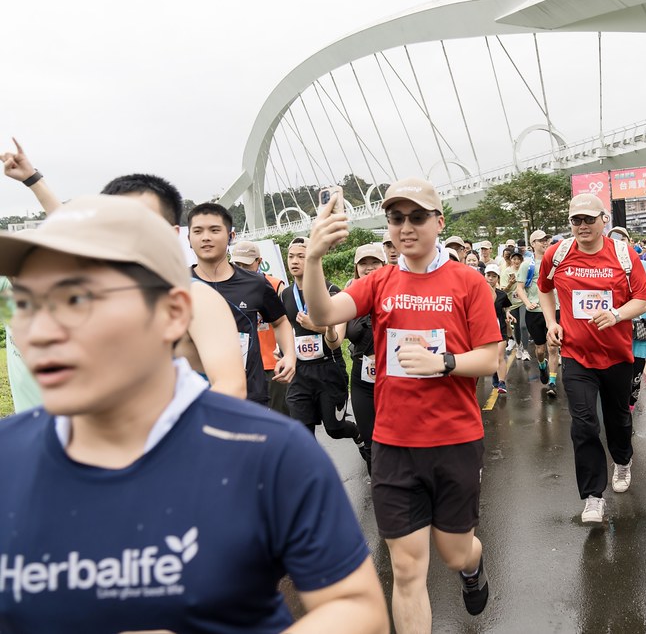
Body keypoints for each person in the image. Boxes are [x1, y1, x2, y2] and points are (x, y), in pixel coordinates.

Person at [0, 194, 388, 633]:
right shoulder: (7, 457)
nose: (43, 327)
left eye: (78, 298)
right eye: (27, 299)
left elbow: (356, 607)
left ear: (171, 314)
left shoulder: (268, 454)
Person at [303, 178, 501, 632]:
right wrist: (313, 257)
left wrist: (444, 362)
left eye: (416, 217)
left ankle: (473, 565)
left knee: (454, 552)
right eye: (396, 219)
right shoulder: (380, 281)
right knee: (408, 572)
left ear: (439, 221)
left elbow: (491, 357)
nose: (405, 228)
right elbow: (322, 315)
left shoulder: (468, 282)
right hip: (393, 443)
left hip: (454, 439)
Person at [1, 140, 246, 403]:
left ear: (171, 233)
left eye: (141, 222)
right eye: (116, 222)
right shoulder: (96, 294)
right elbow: (66, 230)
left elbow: (231, 387)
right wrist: (32, 179)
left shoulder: (196, 298)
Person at [538, 193, 646, 523]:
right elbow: (545, 288)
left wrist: (615, 315)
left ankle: (623, 460)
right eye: (576, 220)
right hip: (576, 356)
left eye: (589, 219)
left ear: (604, 220)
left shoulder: (623, 254)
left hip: (616, 356)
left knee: (618, 420)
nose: (583, 225)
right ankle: (592, 496)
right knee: (584, 424)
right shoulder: (556, 255)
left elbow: (641, 299)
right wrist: (551, 322)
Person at [187, 203, 296, 405]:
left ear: (231, 236)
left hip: (250, 393)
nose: (206, 237)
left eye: (214, 230)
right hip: (194, 396)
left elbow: (280, 321)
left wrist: (289, 355)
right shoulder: (176, 284)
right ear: (189, 239)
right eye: (198, 231)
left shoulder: (255, 282)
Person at [281, 237, 360, 442]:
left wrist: (315, 326)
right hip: (299, 373)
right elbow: (284, 329)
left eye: (301, 256)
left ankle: (358, 434)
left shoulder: (332, 291)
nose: (295, 261)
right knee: (302, 434)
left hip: (328, 368)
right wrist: (282, 349)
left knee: (335, 429)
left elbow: (338, 338)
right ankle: (314, 473)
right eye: (291, 257)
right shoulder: (285, 295)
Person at [231, 240, 289, 415]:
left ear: (259, 261)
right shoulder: (228, 287)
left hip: (272, 362)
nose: (241, 268)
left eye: (246, 264)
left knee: (279, 416)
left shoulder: (275, 285)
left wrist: (287, 353)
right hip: (242, 364)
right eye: (237, 264)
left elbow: (285, 322)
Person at [344, 242, 387, 474]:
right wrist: (329, 332)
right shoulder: (348, 295)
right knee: (370, 440)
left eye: (375, 263)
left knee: (394, 440)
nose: (369, 268)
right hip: (361, 377)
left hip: (391, 376)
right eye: (364, 263)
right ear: (356, 267)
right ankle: (379, 490)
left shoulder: (395, 293)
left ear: (384, 264)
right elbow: (337, 335)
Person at [610, 227, 646, 412]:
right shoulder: (603, 268)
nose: (618, 243)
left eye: (622, 239)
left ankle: (628, 411)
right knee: (615, 374)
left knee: (635, 376)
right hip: (613, 328)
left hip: (640, 328)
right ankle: (619, 412)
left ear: (629, 243)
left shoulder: (644, 266)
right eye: (614, 239)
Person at [519, 230, 558, 397]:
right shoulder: (527, 264)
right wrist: (528, 303)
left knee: (553, 347)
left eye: (546, 240)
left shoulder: (555, 262)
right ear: (532, 244)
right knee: (540, 350)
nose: (544, 243)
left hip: (555, 309)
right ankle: (542, 366)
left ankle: (552, 382)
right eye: (540, 240)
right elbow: (520, 288)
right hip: (534, 312)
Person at [485, 263, 513, 393]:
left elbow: (506, 307)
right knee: (493, 357)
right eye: (488, 275)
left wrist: (508, 314)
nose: (490, 278)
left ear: (498, 278)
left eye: (494, 276)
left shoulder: (502, 295)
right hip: (485, 329)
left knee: (500, 355)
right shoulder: (478, 292)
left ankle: (502, 383)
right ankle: (495, 374)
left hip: (500, 327)